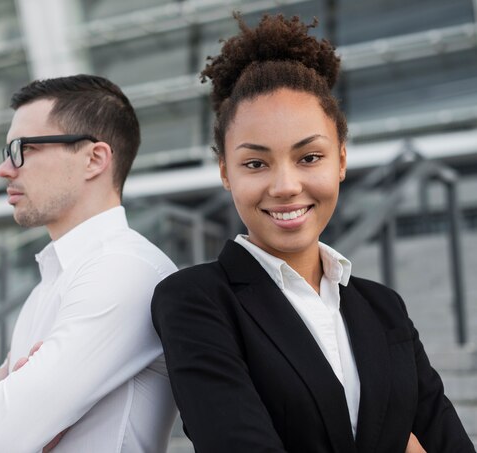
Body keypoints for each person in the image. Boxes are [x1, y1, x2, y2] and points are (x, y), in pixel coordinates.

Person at [150, 13, 475, 453]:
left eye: (309, 157)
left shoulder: (384, 308)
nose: (285, 186)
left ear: (340, 159)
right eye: (255, 163)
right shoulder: (196, 301)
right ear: (225, 171)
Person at [0, 75, 178, 452]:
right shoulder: (52, 281)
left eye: (22, 148)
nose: (4, 169)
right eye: (5, 151)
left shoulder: (124, 270)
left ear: (94, 159)